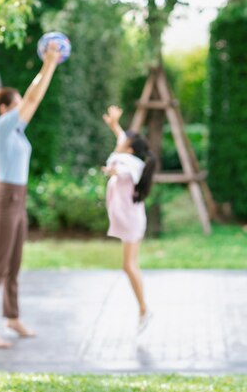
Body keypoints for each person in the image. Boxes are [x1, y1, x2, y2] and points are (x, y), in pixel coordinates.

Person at [0, 43, 62, 348]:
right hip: (5, 200)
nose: (21, 109)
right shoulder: (1, 127)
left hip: (19, 199)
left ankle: (12, 317)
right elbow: (33, 97)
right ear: (4, 110)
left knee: (13, 264)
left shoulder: (16, 132)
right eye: (15, 105)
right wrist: (48, 64)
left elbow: (32, 102)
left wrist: (50, 66)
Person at [102, 105, 156, 332]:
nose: (121, 141)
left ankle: (144, 308)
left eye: (125, 141)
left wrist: (113, 172)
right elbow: (121, 139)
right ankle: (143, 308)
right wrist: (114, 125)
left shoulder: (130, 164)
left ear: (130, 149)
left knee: (129, 265)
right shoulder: (128, 157)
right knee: (129, 265)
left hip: (132, 222)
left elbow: (123, 170)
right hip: (131, 219)